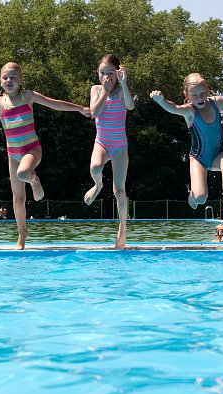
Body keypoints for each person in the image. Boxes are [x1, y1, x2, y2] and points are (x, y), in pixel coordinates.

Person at [0, 62, 90, 249]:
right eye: (5, 77)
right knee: (18, 198)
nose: (9, 80)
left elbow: (54, 104)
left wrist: (79, 108)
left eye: (13, 77)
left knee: (23, 174)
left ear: (20, 80)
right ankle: (22, 234)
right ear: (0, 81)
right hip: (13, 155)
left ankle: (35, 181)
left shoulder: (27, 96)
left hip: (31, 150)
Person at [149, 73, 223, 218]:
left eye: (202, 93)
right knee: (201, 198)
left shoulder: (217, 103)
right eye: (194, 95)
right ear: (187, 94)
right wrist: (161, 101)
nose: (199, 98)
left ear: (207, 90)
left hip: (218, 153)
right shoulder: (189, 111)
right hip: (198, 158)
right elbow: (174, 107)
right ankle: (192, 195)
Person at [83, 54, 135, 250]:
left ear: (118, 73)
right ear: (98, 74)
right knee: (95, 167)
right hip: (102, 143)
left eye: (110, 73)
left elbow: (130, 106)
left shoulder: (122, 91)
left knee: (119, 191)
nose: (106, 76)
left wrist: (125, 83)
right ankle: (97, 185)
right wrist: (104, 92)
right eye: (103, 73)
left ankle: (122, 228)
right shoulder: (96, 90)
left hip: (120, 146)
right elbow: (94, 112)